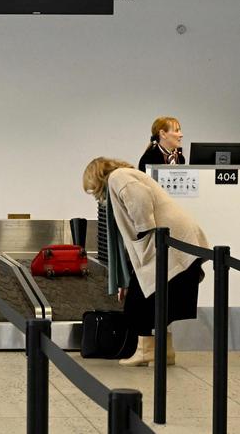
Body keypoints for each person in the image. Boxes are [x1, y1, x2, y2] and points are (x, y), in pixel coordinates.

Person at [83, 157, 208, 366]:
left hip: (167, 244)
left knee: (138, 304)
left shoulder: (118, 177)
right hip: (174, 243)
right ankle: (164, 351)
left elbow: (139, 199)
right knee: (160, 300)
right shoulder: (126, 175)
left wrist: (144, 228)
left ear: (95, 176)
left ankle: (146, 352)